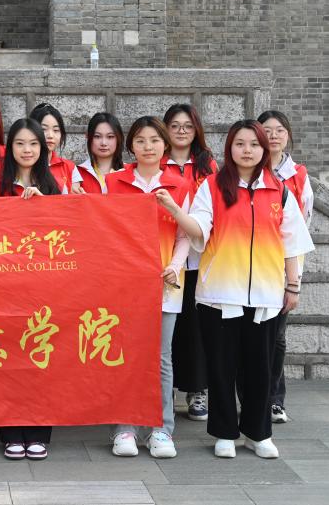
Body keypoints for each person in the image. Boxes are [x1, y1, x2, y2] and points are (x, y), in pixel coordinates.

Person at [158, 119, 314, 460]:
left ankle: (259, 434)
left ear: (263, 149)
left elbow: (292, 243)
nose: (247, 150)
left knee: (259, 369)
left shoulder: (279, 190)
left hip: (266, 295)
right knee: (221, 368)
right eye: (240, 144)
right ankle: (224, 433)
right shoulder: (213, 186)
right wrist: (174, 209)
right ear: (229, 148)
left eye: (254, 144)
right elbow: (198, 229)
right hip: (219, 294)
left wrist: (293, 286)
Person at [105, 116, 190, 460]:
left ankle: (161, 428)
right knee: (125, 355)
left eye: (154, 140)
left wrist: (175, 265)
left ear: (165, 145)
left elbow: (185, 235)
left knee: (161, 358)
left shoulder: (179, 185)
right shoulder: (114, 182)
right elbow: (102, 230)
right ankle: (124, 427)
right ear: (131, 146)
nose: (148, 146)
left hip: (165, 284)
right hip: (124, 287)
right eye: (140, 140)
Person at [0, 118, 61, 460]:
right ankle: (10, 432)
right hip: (3, 286)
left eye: (33, 143)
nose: (27, 150)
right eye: (20, 143)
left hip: (44, 288)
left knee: (40, 357)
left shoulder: (54, 185)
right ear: (10, 149)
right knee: (7, 359)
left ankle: (39, 432)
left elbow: (69, 230)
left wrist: (46, 204)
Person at [162, 103, 218, 422]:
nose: (181, 131)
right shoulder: (158, 162)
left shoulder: (207, 166)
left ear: (196, 130)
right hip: (165, 258)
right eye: (175, 125)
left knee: (196, 330)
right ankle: (165, 389)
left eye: (187, 125)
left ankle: (198, 390)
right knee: (169, 328)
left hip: (200, 258)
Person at [258, 109, 313, 424]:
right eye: (267, 130)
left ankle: (274, 400)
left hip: (283, 268)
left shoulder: (298, 175)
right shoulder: (245, 171)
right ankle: (251, 397)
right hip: (249, 263)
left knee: (276, 335)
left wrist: (294, 278)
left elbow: (302, 226)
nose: (273, 135)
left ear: (288, 135)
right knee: (250, 336)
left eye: (279, 130)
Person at [29, 103, 83, 194]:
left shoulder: (69, 168)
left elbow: (74, 201)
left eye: (56, 130)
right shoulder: (24, 166)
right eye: (43, 129)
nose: (50, 135)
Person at [77, 112, 125, 194]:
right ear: (88, 137)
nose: (103, 143)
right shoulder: (76, 174)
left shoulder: (130, 173)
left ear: (118, 138)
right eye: (97, 136)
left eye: (110, 137)